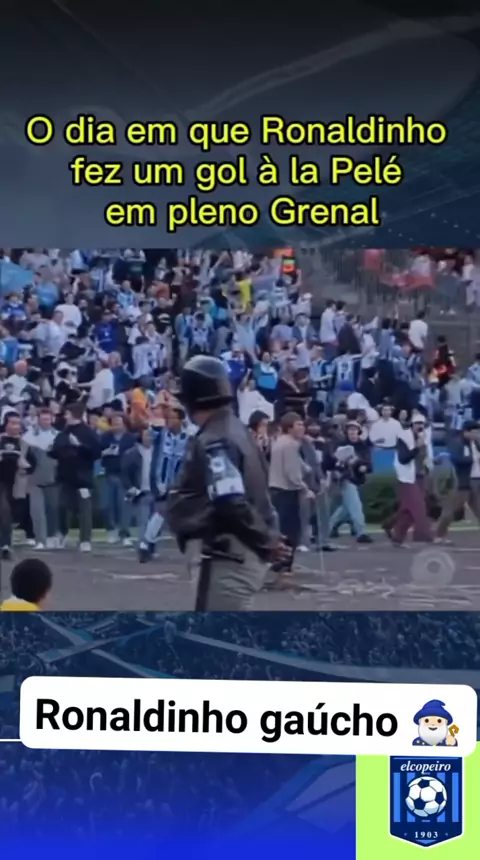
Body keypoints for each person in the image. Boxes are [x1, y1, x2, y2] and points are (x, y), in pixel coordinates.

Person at [166, 355, 288, 610]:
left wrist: (266, 540)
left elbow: (228, 499)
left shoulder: (215, 438)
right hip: (238, 553)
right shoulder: (238, 431)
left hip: (225, 555)